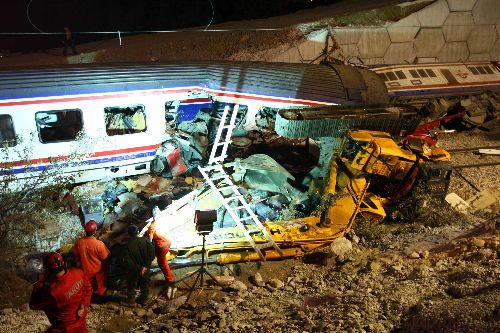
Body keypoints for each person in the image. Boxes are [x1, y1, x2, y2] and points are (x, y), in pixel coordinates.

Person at [30, 252, 92, 333]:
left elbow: (33, 305)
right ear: (64, 263)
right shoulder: (78, 272)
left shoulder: (52, 292)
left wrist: (39, 285)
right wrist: (83, 305)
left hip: (63, 328)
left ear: (48, 271)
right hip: (80, 321)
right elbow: (88, 289)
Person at [73, 220, 110, 299]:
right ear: (95, 231)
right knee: (101, 285)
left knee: (88, 287)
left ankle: (88, 298)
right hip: (98, 271)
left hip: (85, 269)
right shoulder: (99, 244)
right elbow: (106, 258)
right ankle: (101, 298)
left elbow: (76, 256)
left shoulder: (78, 242)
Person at [123, 225, 155, 305]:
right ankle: (144, 300)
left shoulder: (127, 245)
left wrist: (138, 268)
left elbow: (127, 260)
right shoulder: (145, 241)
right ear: (137, 232)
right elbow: (152, 254)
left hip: (133, 269)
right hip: (145, 268)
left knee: (131, 285)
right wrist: (145, 266)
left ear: (128, 233)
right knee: (144, 283)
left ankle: (131, 301)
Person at [147, 206, 175, 284]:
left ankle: (170, 279)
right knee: (162, 260)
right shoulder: (162, 220)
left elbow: (150, 240)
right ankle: (169, 278)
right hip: (167, 242)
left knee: (162, 262)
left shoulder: (152, 226)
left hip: (162, 245)